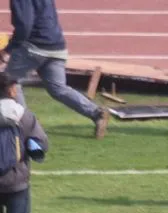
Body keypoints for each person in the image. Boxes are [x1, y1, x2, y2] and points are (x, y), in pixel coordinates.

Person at [2, 0, 105, 136]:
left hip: (34, 47)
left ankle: (22, 124)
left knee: (10, 82)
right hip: (56, 45)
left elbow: (24, 26)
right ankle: (97, 113)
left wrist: (9, 49)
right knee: (58, 88)